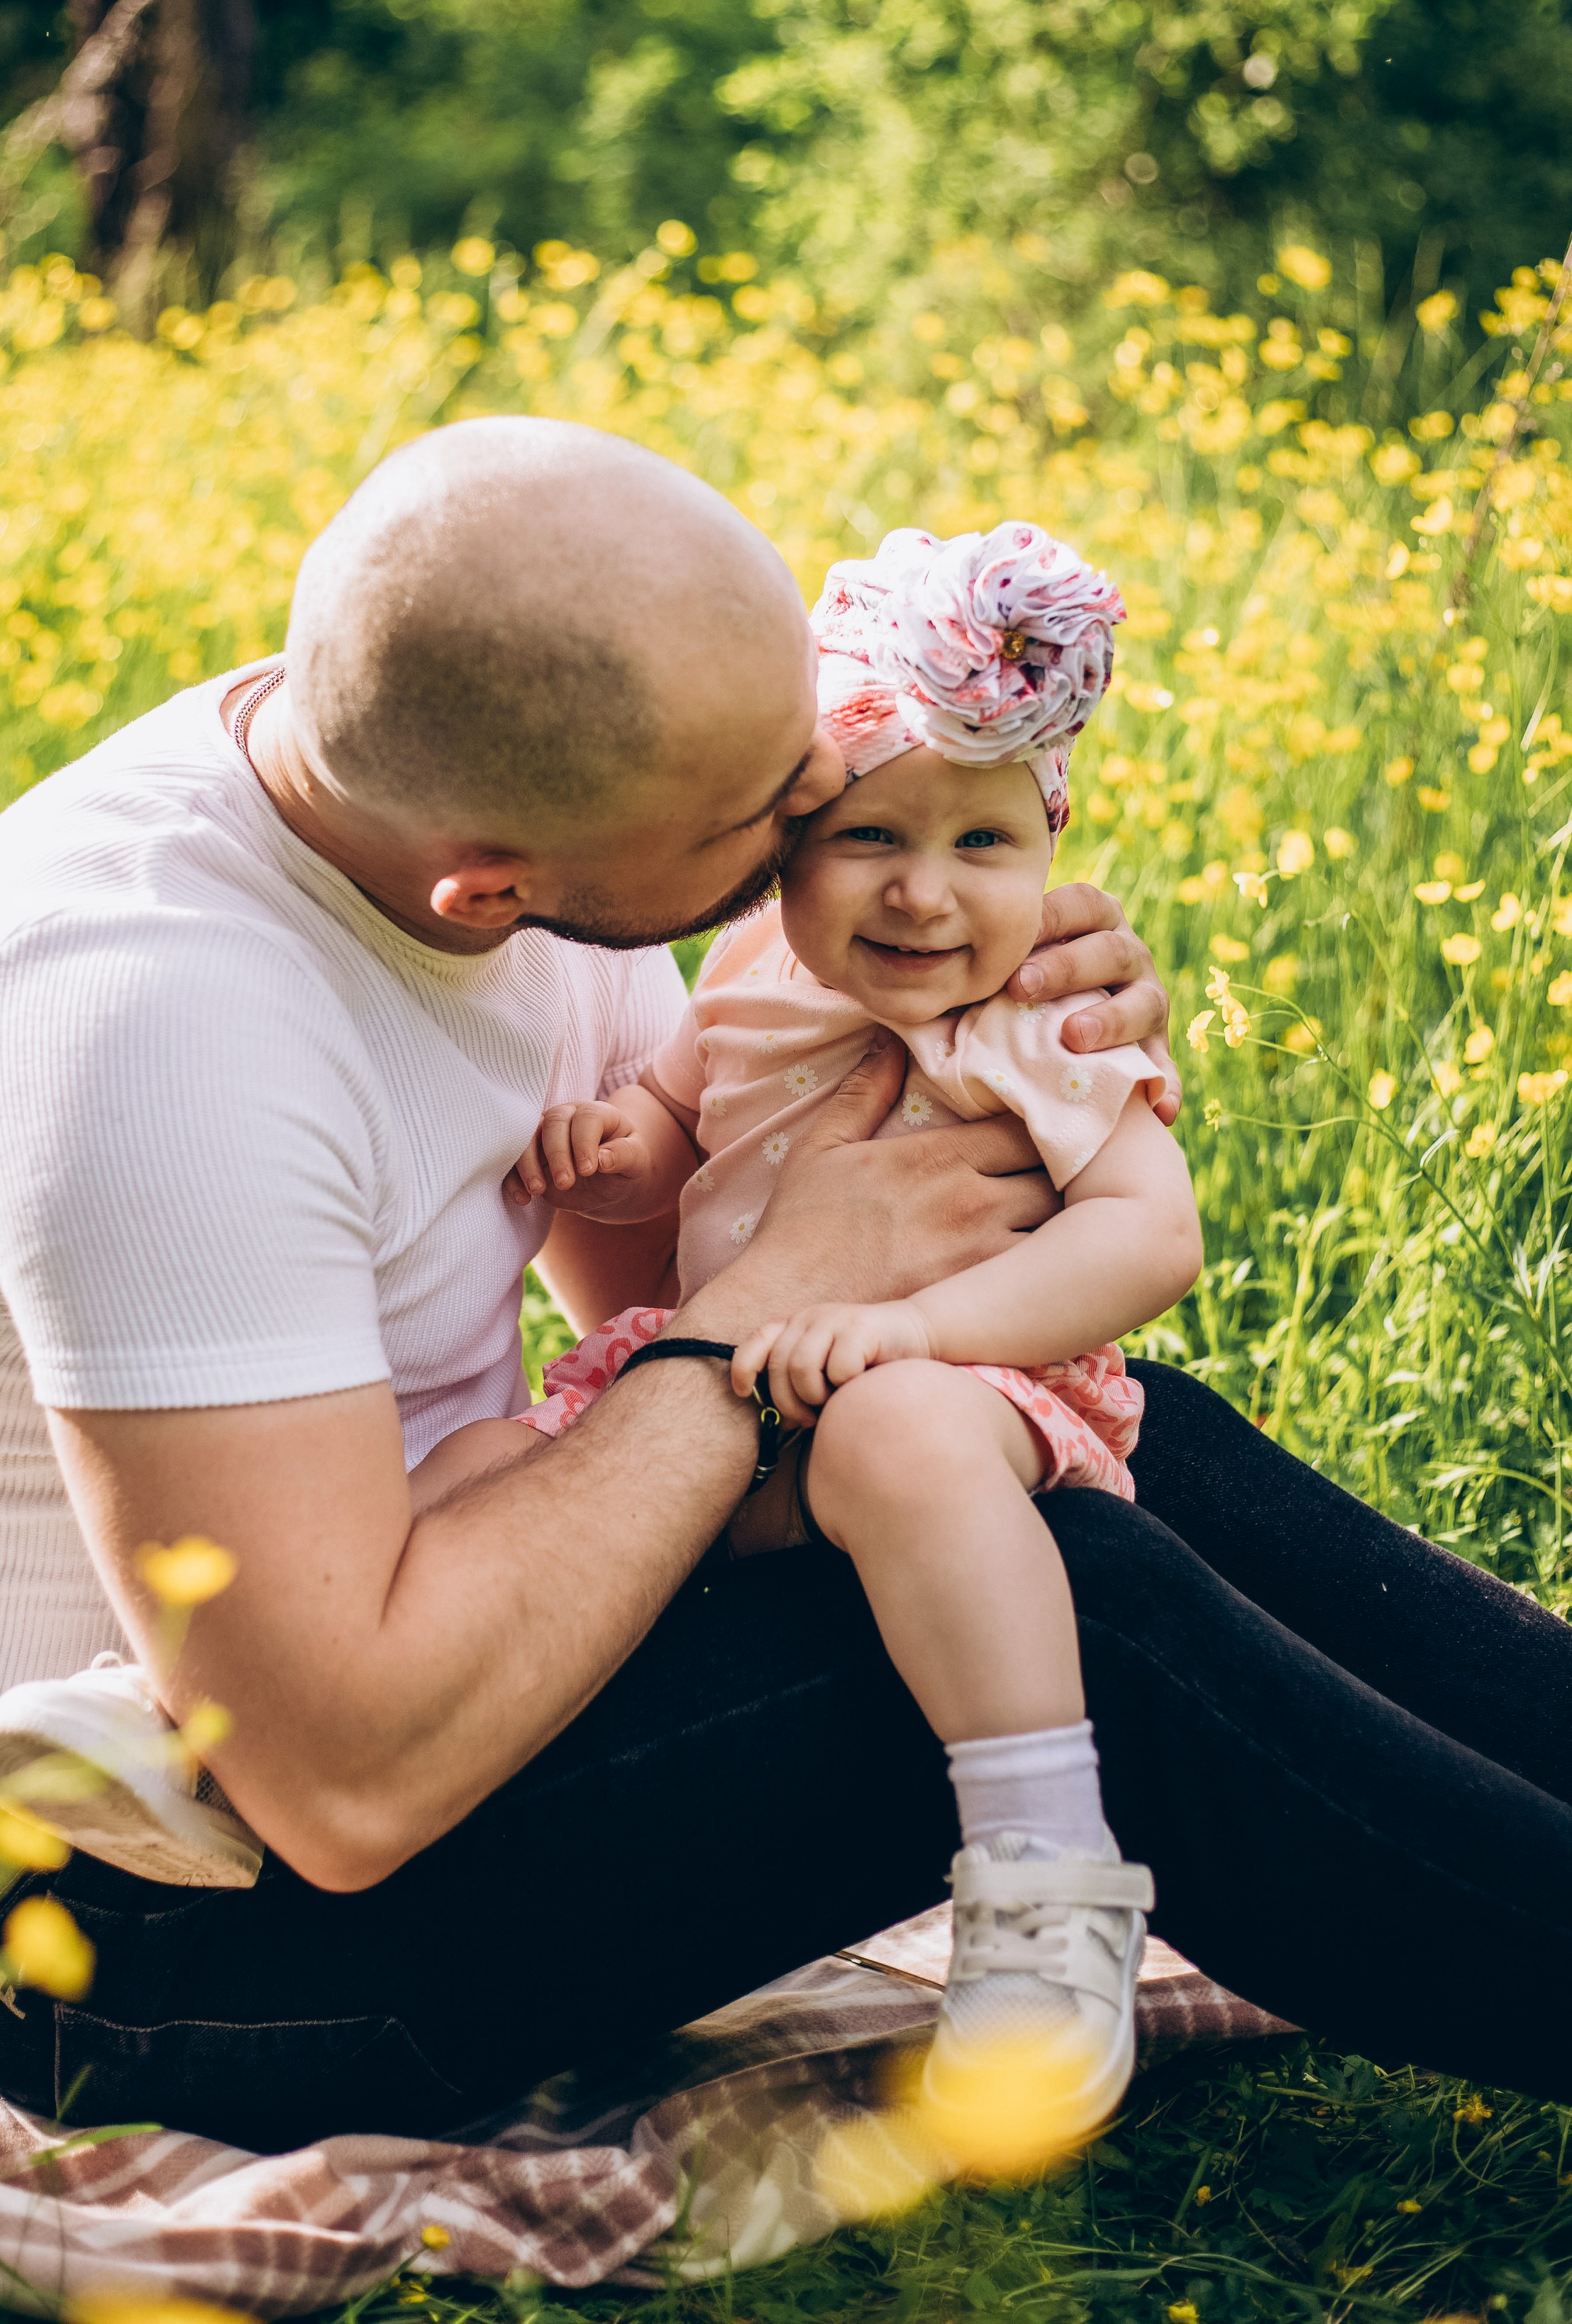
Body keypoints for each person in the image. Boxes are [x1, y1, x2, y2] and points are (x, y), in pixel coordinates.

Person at [0, 419, 1572, 2159]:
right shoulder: (148, 1037)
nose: (816, 822)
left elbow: (664, 1273)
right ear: (488, 880)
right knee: (1074, 1605)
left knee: (1068, 1445)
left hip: (418, 1630)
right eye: (769, 815)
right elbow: (337, 1787)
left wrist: (957, 1010)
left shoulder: (481, 765)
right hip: (148, 1927)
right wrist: (778, 1303)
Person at [509, 521, 1200, 2144]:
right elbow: (692, 1121)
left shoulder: (1032, 1015)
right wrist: (620, 1149)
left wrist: (922, 1336)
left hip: (961, 1396)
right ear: (777, 855)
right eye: (867, 834)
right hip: (740, 1400)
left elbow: (1143, 1228)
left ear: (1051, 841)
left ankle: (1041, 1883)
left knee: (894, 1439)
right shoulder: (748, 970)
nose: (923, 890)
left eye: (980, 841)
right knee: (496, 1468)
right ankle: (189, 1734)